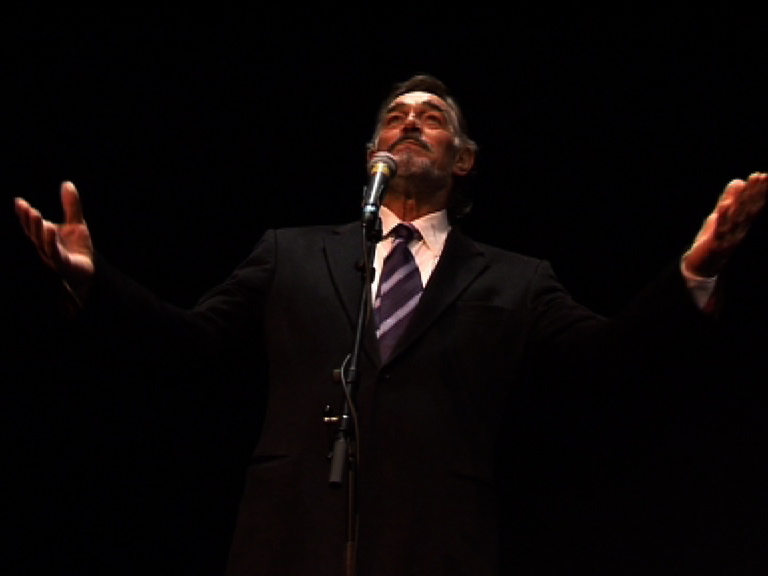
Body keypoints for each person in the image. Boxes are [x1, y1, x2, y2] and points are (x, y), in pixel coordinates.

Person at [13, 74, 768, 576]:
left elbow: (606, 357)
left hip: (436, 545)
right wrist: (92, 279)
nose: (410, 125)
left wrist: (694, 272)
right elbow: (191, 340)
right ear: (372, 153)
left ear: (463, 160)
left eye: (431, 119)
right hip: (292, 538)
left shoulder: (516, 278)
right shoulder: (291, 252)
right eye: (395, 118)